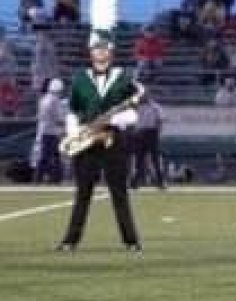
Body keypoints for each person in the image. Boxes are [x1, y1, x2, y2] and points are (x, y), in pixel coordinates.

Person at [56, 32, 143, 252]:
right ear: (91, 52)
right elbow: (73, 111)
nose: (100, 52)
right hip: (86, 140)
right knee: (82, 194)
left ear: (110, 53)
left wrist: (113, 118)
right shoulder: (80, 79)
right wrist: (75, 132)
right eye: (97, 48)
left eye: (104, 48)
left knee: (119, 193)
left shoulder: (123, 78)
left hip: (114, 139)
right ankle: (70, 241)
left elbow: (134, 114)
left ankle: (131, 241)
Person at [34, 77, 67, 184]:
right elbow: (59, 118)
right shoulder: (55, 100)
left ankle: (42, 178)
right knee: (52, 157)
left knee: (47, 156)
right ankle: (53, 178)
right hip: (52, 132)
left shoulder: (43, 99)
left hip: (45, 130)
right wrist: (65, 122)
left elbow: (40, 116)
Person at [130, 93, 166, 189]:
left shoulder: (155, 107)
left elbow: (160, 120)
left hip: (151, 132)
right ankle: (135, 182)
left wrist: (158, 133)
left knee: (155, 160)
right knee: (139, 160)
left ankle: (160, 182)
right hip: (140, 133)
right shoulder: (137, 107)